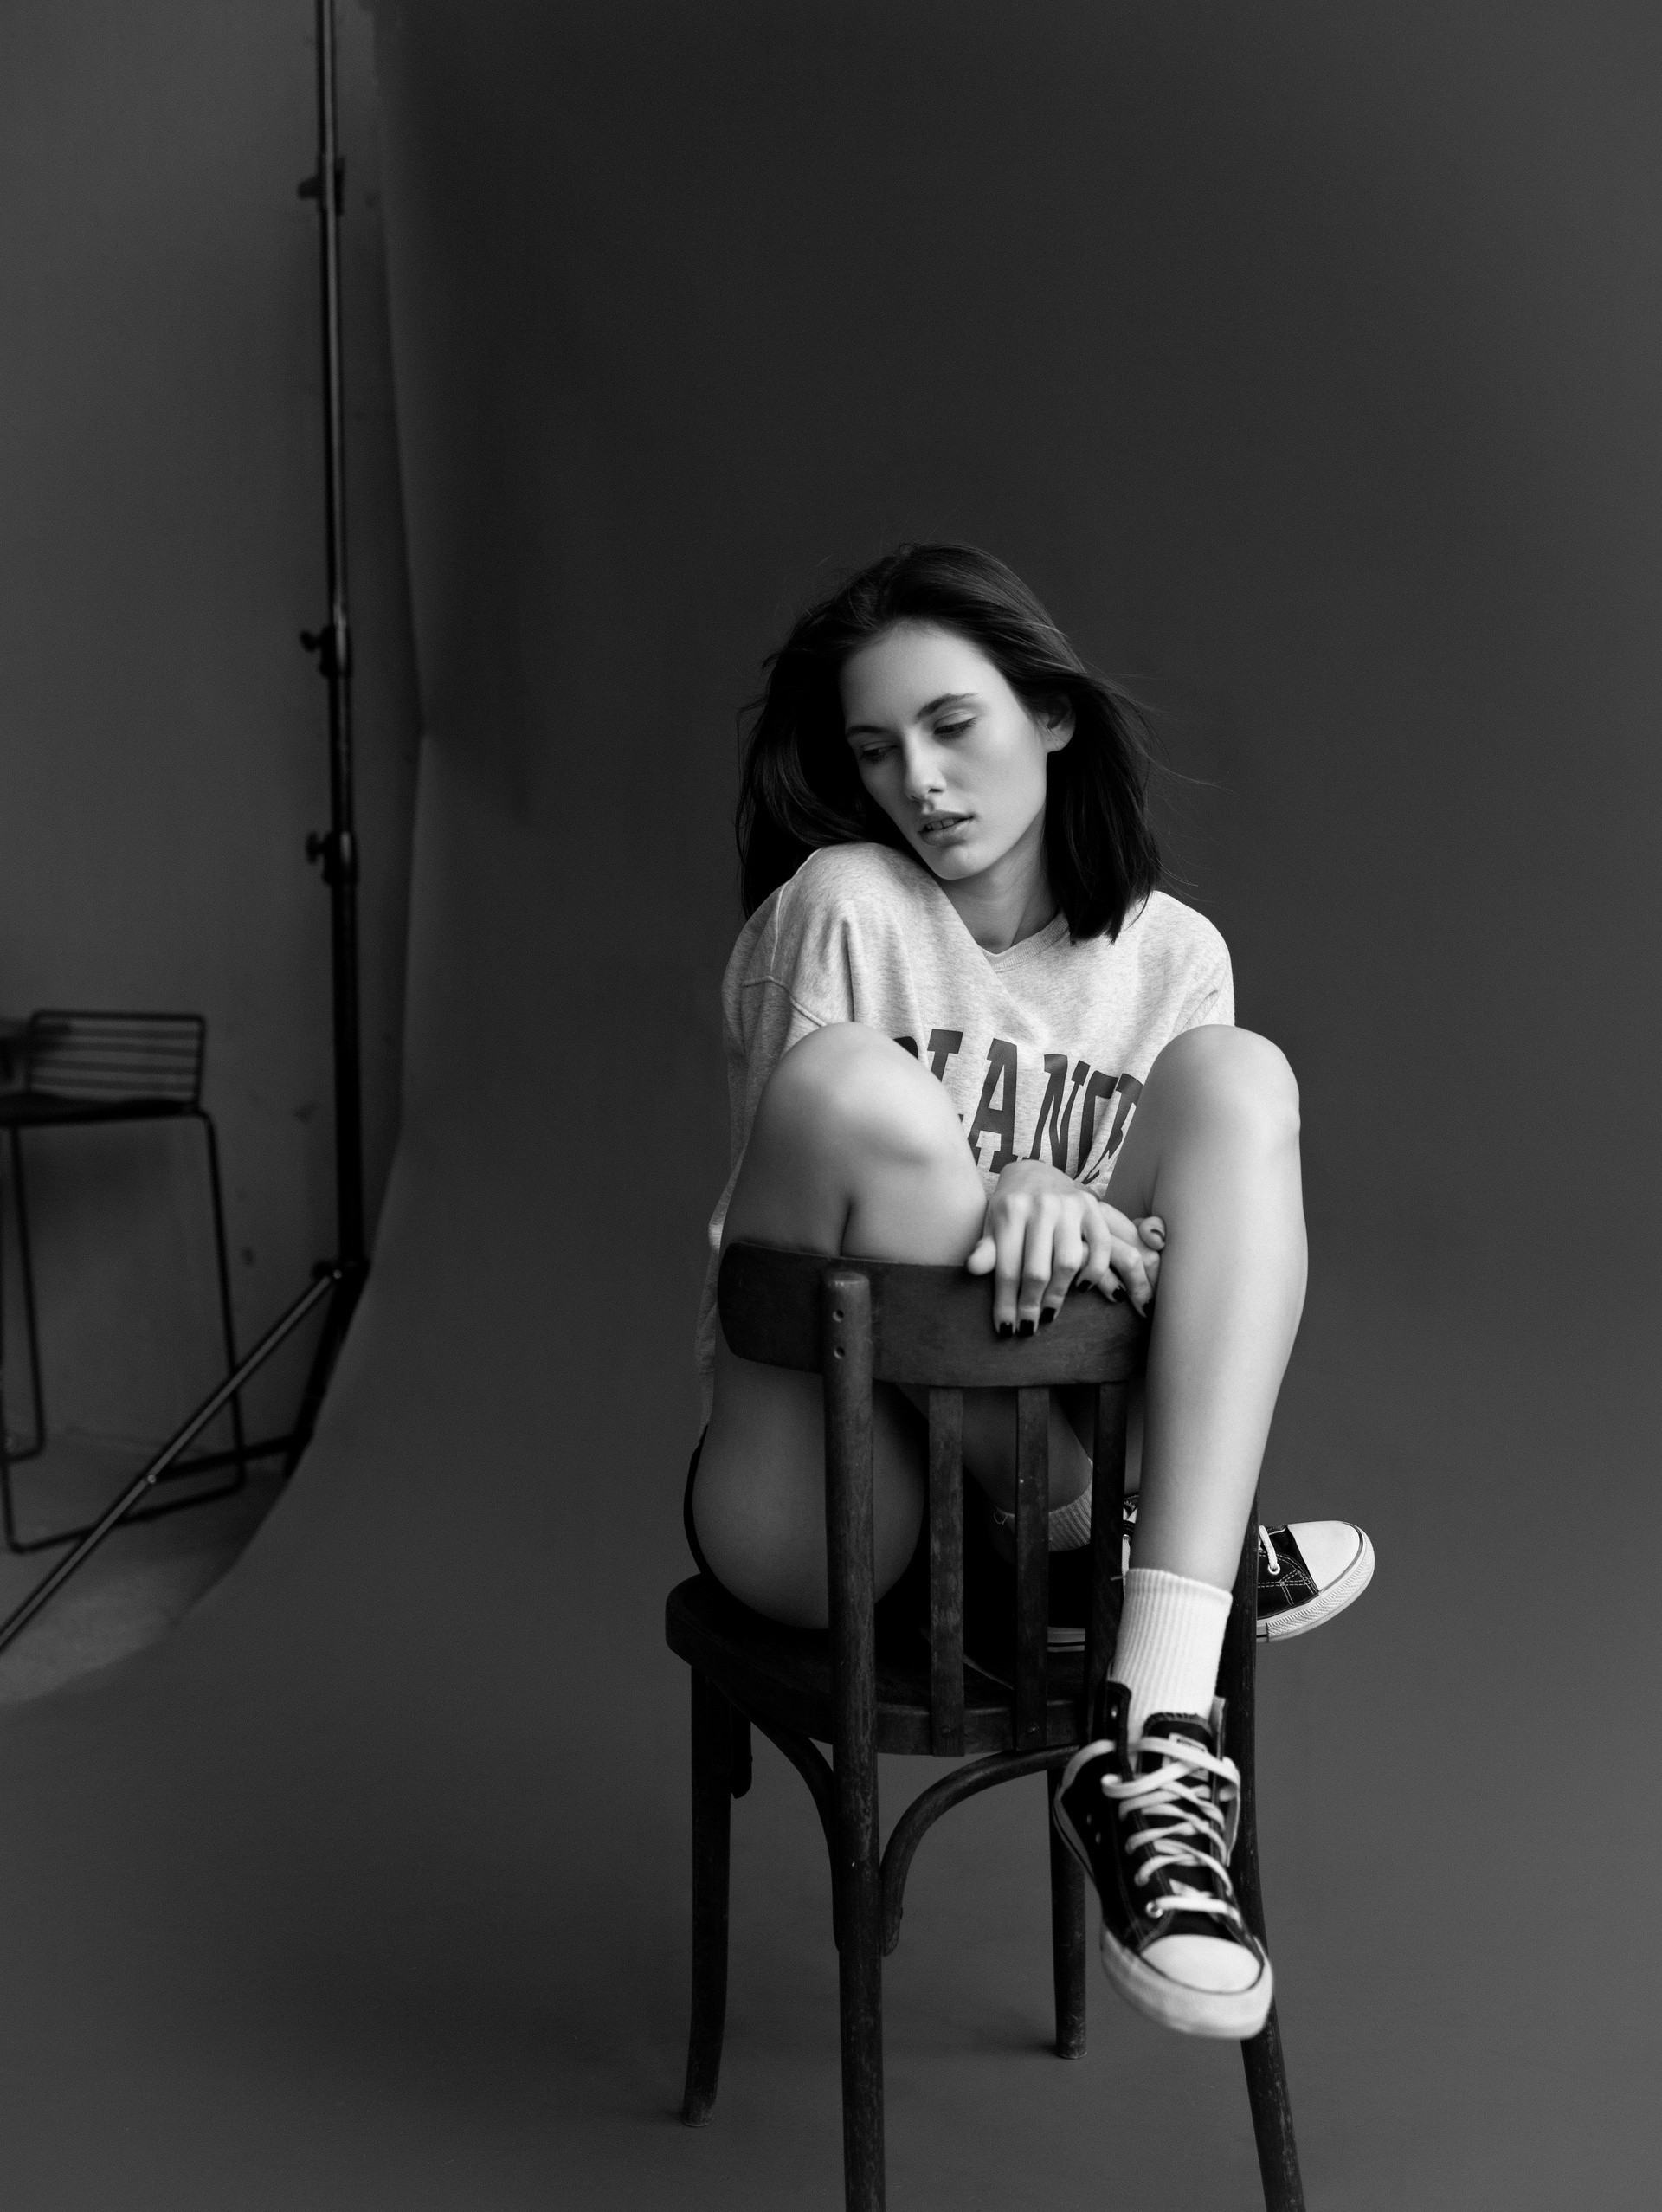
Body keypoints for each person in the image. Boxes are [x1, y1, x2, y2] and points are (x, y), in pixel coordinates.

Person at [687, 543, 1372, 2041]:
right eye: (877, 750)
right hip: (828, 1500)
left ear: (1051, 714)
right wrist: (1003, 1193)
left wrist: (1082, 1213)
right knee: (861, 1090)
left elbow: (1186, 1285)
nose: (918, 782)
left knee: (1241, 1079)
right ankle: (1141, 1559)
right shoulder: (847, 905)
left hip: (1040, 1478)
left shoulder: (1172, 958)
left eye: (953, 725)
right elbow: (801, 1219)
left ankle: (1154, 1724)